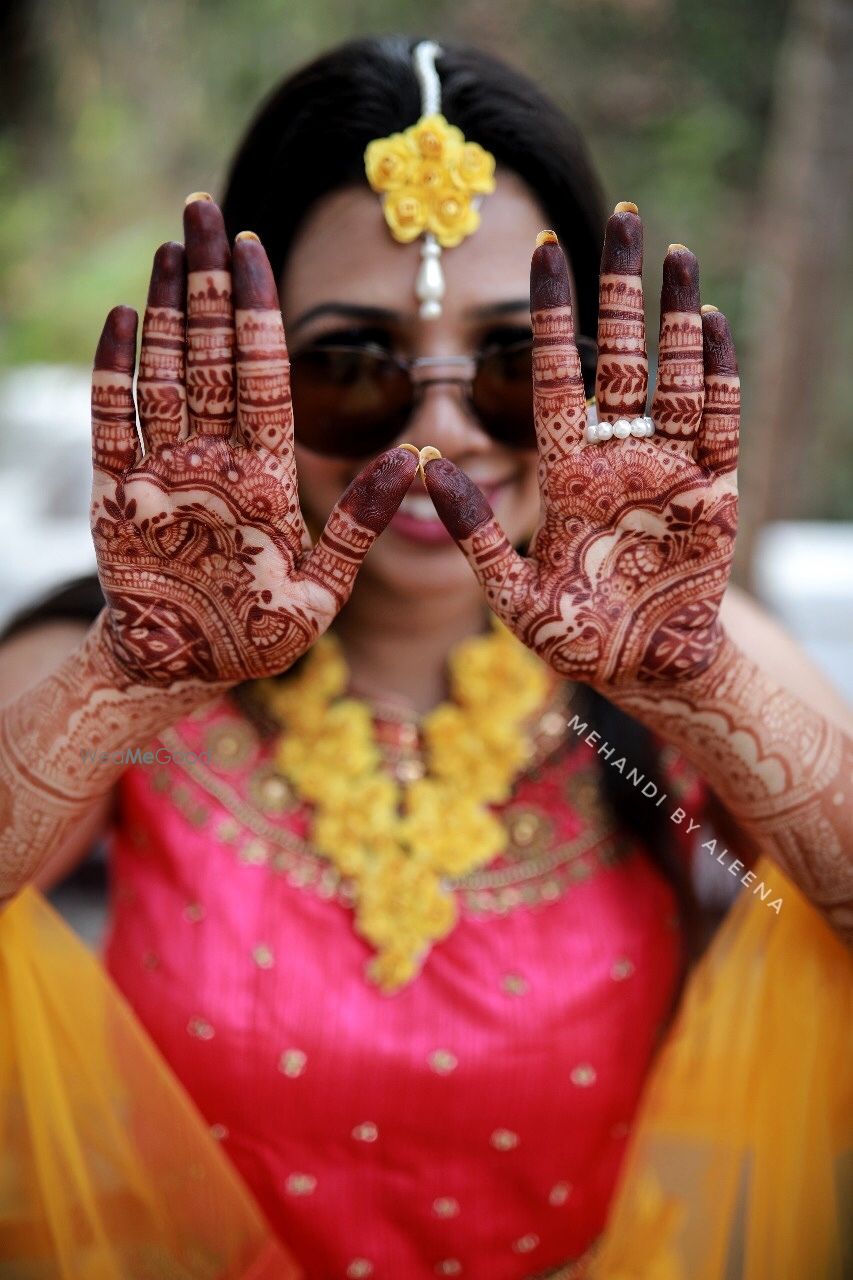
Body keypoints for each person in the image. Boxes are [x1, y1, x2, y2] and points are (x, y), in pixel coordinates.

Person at [0, 34, 850, 1280]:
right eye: (351, 367)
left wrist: (697, 689)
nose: (438, 434)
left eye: (512, 369)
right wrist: (135, 679)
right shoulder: (128, 650)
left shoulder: (670, 652)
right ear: (246, 368)